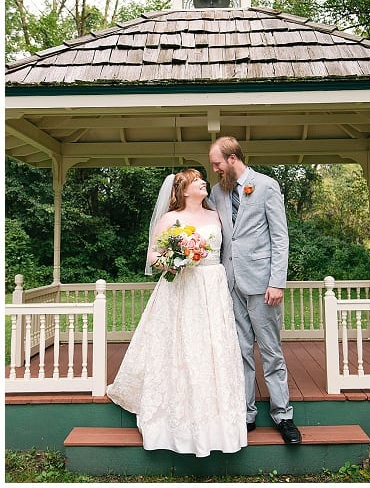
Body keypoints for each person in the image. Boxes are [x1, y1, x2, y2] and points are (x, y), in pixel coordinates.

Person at [107, 169, 248, 457]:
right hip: (183, 287)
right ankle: (175, 424)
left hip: (214, 286)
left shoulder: (216, 216)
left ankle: (218, 424)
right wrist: (173, 260)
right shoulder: (170, 219)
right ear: (184, 190)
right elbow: (152, 255)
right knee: (182, 348)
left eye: (202, 179)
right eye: (196, 180)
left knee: (213, 349)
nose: (202, 182)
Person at [208, 136, 301, 445]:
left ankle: (283, 415)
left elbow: (281, 237)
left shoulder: (266, 186)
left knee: (271, 351)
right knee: (240, 351)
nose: (215, 169)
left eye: (218, 164)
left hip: (263, 285)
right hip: (230, 282)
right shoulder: (217, 193)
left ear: (233, 159)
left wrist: (277, 282)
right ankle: (246, 414)